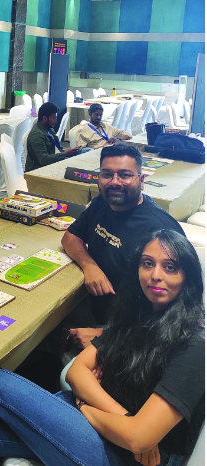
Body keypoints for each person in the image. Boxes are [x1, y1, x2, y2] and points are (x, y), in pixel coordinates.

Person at [0, 228, 200, 466]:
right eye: (147, 263)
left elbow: (139, 439)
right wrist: (123, 418)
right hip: (111, 427)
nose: (155, 275)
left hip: (141, 458)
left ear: (187, 277)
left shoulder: (194, 346)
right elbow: (77, 372)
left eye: (170, 267)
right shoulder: (134, 316)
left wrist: (86, 406)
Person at [58, 145, 186, 350]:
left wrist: (103, 335)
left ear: (141, 181)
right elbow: (70, 237)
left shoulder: (160, 230)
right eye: (107, 174)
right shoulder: (102, 202)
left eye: (125, 175)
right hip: (93, 305)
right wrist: (89, 265)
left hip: (130, 331)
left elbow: (172, 313)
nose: (114, 182)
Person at [28, 101, 88, 171]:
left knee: (87, 151)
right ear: (44, 118)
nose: (56, 121)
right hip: (41, 169)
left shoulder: (49, 129)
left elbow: (55, 148)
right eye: (53, 118)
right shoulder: (37, 135)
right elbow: (44, 160)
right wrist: (64, 154)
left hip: (55, 159)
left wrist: (68, 152)